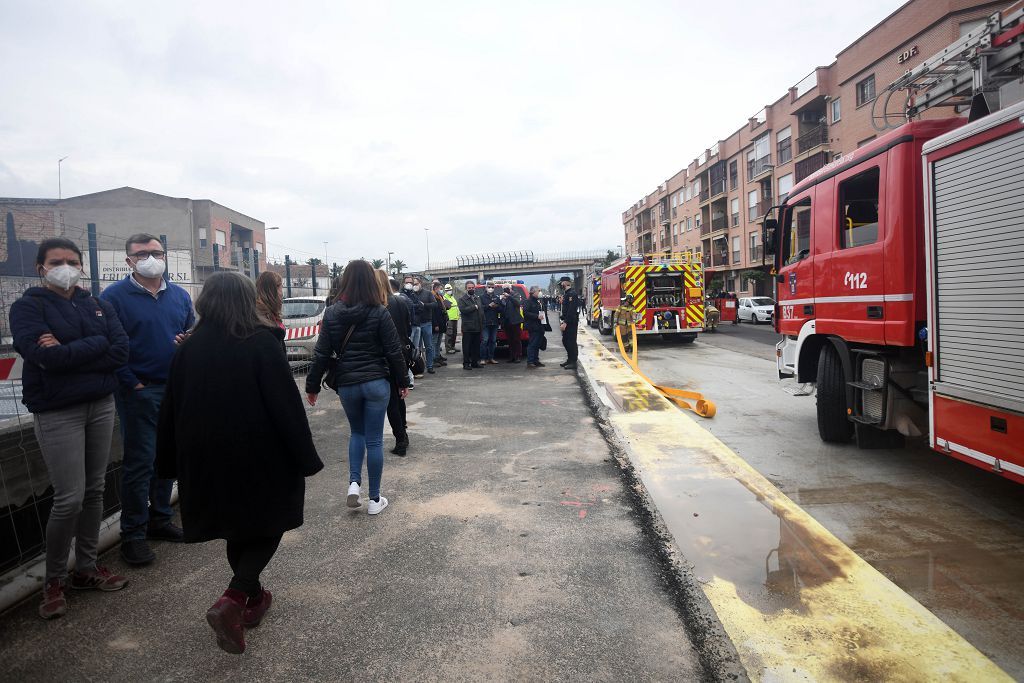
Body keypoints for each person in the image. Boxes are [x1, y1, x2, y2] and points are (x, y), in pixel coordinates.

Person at [155, 271, 323, 655]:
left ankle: (252, 598)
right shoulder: (261, 343)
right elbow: (285, 406)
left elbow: (170, 409)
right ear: (248, 301)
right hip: (259, 453)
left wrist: (167, 461)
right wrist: (304, 456)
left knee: (236, 526)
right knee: (273, 519)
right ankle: (233, 598)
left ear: (205, 302)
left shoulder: (188, 348)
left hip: (204, 456)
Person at [9, 238, 131, 620]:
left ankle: (88, 568)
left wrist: (71, 350)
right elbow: (43, 356)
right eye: (56, 261)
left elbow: (119, 350)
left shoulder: (97, 304)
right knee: (69, 497)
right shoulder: (28, 307)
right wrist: (93, 348)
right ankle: (54, 580)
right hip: (58, 410)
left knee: (94, 490)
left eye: (72, 261)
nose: (66, 267)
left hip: (100, 403)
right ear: (41, 267)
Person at [100, 233, 195, 566]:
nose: (151, 258)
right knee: (140, 464)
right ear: (129, 261)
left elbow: (190, 332)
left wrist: (187, 342)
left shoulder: (180, 297)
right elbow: (110, 346)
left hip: (174, 388)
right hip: (138, 391)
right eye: (142, 254)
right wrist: (132, 382)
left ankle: (160, 518)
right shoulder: (113, 297)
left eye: (156, 252)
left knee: (166, 458)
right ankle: (133, 535)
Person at [305, 260, 409, 516]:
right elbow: (393, 351)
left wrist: (312, 385)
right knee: (374, 440)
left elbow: (321, 353)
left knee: (357, 434)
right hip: (376, 383)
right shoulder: (380, 312)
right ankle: (374, 499)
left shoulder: (332, 313)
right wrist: (402, 381)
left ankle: (354, 484)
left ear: (345, 281)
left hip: (348, 384)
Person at [379, 271, 411, 456]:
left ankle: (400, 439)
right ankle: (403, 433)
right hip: (402, 352)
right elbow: (408, 326)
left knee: (391, 399)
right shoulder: (401, 301)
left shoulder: (378, 306)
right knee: (400, 394)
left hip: (386, 355)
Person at [412, 276, 437, 374]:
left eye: (416, 284)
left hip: (427, 323)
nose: (414, 286)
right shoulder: (411, 294)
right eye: (413, 284)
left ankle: (430, 366)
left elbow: (435, 304)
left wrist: (424, 305)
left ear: (420, 283)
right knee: (417, 348)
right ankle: (418, 367)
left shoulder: (428, 293)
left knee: (429, 346)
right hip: (416, 324)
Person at [457, 280, 484, 370]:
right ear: (466, 289)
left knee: (476, 346)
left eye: (472, 288)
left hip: (477, 326)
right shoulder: (462, 299)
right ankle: (466, 363)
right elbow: (463, 310)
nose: (471, 289)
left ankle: (475, 362)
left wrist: (482, 322)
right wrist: (474, 307)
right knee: (467, 347)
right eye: (469, 288)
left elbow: (481, 311)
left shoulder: (477, 298)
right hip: (468, 327)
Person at [401, 277, 424, 378]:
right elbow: (408, 307)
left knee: (415, 350)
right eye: (407, 282)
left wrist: (415, 306)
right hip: (409, 327)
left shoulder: (414, 294)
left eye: (411, 282)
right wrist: (415, 306)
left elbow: (421, 306)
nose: (410, 284)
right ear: (403, 283)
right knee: (408, 350)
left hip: (417, 325)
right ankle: (409, 374)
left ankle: (415, 370)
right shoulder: (402, 295)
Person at [558, 276, 580, 370]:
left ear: (566, 283)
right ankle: (570, 359)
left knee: (571, 342)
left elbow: (571, 310)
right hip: (566, 320)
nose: (560, 284)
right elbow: (566, 309)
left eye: (562, 282)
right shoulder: (566, 294)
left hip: (571, 322)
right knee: (565, 341)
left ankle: (573, 362)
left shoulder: (572, 294)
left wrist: (565, 322)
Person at [523, 286, 546, 369]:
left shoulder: (538, 301)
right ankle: (530, 361)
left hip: (539, 326)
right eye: (538, 291)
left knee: (537, 344)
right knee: (532, 344)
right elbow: (525, 313)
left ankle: (536, 360)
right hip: (532, 326)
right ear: (533, 292)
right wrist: (536, 316)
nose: (540, 292)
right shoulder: (528, 301)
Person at [478, 281, 501, 365]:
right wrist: (489, 305)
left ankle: (491, 358)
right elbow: (480, 309)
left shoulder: (496, 297)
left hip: (494, 322)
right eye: (489, 287)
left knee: (493, 341)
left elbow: (500, 309)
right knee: (485, 340)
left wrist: (497, 306)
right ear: (486, 287)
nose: (491, 288)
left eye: (492, 287)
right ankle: (483, 358)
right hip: (485, 322)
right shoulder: (481, 297)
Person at [501, 285, 524, 363]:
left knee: (516, 339)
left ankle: (517, 356)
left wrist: (509, 297)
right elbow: (502, 307)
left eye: (507, 289)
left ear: (510, 289)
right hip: (507, 321)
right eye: (504, 289)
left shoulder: (516, 295)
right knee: (510, 340)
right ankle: (511, 356)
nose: (505, 291)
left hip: (515, 321)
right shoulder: (504, 297)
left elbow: (517, 303)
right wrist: (501, 300)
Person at [430, 281, 448, 370]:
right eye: (440, 289)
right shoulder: (432, 297)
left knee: (438, 342)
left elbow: (442, 308)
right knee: (434, 342)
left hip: (441, 322)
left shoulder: (439, 297)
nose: (441, 290)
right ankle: (433, 359)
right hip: (436, 323)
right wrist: (435, 324)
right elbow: (433, 313)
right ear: (436, 288)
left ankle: (437, 356)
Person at [443, 283, 459, 354]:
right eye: (448, 290)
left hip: (455, 318)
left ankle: (453, 346)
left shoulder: (452, 297)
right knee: (449, 334)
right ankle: (448, 348)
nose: (449, 291)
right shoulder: (444, 298)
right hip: (449, 318)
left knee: (454, 334)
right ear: (445, 291)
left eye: (450, 290)